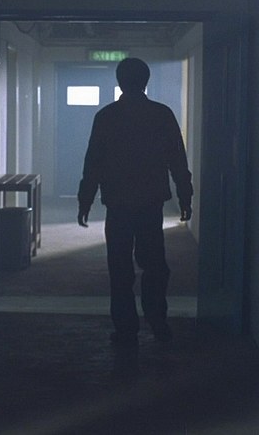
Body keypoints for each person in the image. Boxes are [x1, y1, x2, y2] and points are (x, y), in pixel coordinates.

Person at [77, 57, 193, 347]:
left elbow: (93, 164)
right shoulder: (161, 115)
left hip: (118, 205)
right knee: (155, 266)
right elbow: (178, 160)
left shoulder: (106, 117)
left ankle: (126, 328)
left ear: (119, 82)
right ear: (145, 81)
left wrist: (85, 200)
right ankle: (157, 320)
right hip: (150, 204)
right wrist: (185, 195)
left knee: (119, 269)